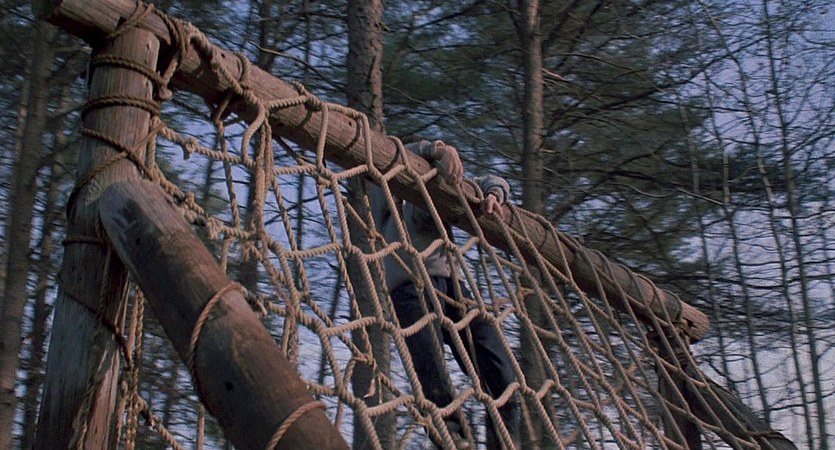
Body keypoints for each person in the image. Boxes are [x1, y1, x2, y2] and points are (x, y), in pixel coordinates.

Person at [371, 139, 518, 449]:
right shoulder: (389, 197)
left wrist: (493, 194)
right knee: (434, 378)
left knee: (504, 377)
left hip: (452, 288)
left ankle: (501, 439)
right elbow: (395, 153)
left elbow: (489, 182)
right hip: (411, 284)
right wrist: (438, 149)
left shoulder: (442, 186)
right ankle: (453, 439)